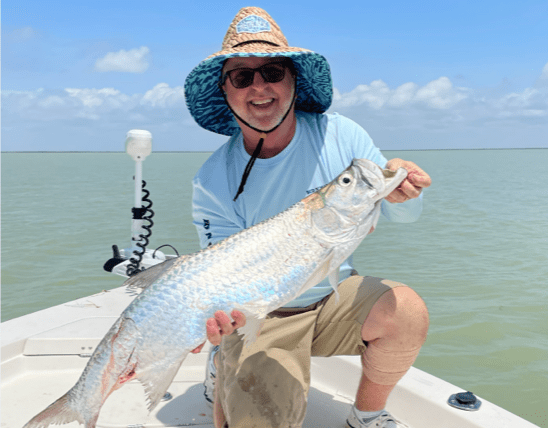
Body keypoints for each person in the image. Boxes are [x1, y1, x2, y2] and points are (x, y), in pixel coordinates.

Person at [184, 7, 431, 428]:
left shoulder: (343, 135)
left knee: (405, 310)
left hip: (333, 295)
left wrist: (406, 194)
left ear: (294, 81)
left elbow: (398, 214)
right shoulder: (212, 180)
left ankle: (367, 415)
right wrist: (220, 326)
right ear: (225, 94)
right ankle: (223, 360)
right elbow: (224, 276)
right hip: (263, 313)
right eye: (242, 77)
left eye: (274, 72)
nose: (259, 87)